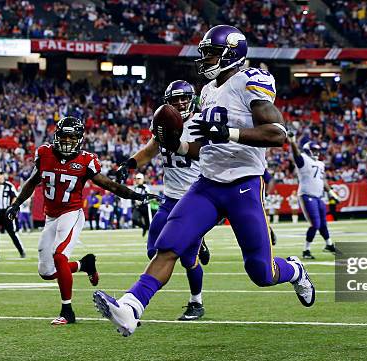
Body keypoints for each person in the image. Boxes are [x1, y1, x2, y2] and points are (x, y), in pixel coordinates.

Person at [93, 25, 315, 337]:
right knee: (167, 245)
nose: (206, 59)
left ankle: (295, 271)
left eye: (212, 52)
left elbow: (277, 134)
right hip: (207, 185)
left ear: (232, 53)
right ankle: (131, 307)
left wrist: (231, 133)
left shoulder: (250, 80)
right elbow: (200, 147)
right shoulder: (209, 92)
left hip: (243, 184)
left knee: (261, 272)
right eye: (205, 53)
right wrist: (177, 145)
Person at [6, 117, 159, 325]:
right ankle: (84, 264)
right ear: (56, 137)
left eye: (72, 137)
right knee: (46, 272)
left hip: (72, 213)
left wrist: (137, 196)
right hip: (51, 216)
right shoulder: (44, 153)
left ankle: (67, 311)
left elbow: (110, 185)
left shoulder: (86, 161)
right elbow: (33, 181)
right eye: (64, 136)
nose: (67, 141)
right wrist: (16, 205)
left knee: (59, 256)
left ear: (79, 139)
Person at [115, 79, 210, 321]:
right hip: (169, 199)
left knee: (189, 260)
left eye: (184, 98)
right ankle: (197, 240)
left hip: (193, 199)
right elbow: (150, 149)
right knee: (153, 250)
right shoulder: (165, 123)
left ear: (192, 99)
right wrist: (129, 164)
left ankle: (196, 302)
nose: (180, 102)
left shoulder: (201, 122)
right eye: (175, 99)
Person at [288, 135, 339, 259]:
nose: (316, 152)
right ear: (308, 150)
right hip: (306, 195)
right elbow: (297, 156)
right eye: (314, 150)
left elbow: (323, 181)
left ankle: (329, 245)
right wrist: (293, 142)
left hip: (318, 196)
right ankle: (306, 251)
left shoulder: (320, 164)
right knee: (315, 224)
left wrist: (332, 193)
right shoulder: (304, 159)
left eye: (317, 150)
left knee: (323, 224)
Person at [0, 169, 25, 259]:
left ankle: (21, 251)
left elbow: (15, 196)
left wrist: (11, 208)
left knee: (12, 233)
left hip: (6, 212)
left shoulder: (9, 186)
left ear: (4, 175)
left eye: (0, 174)